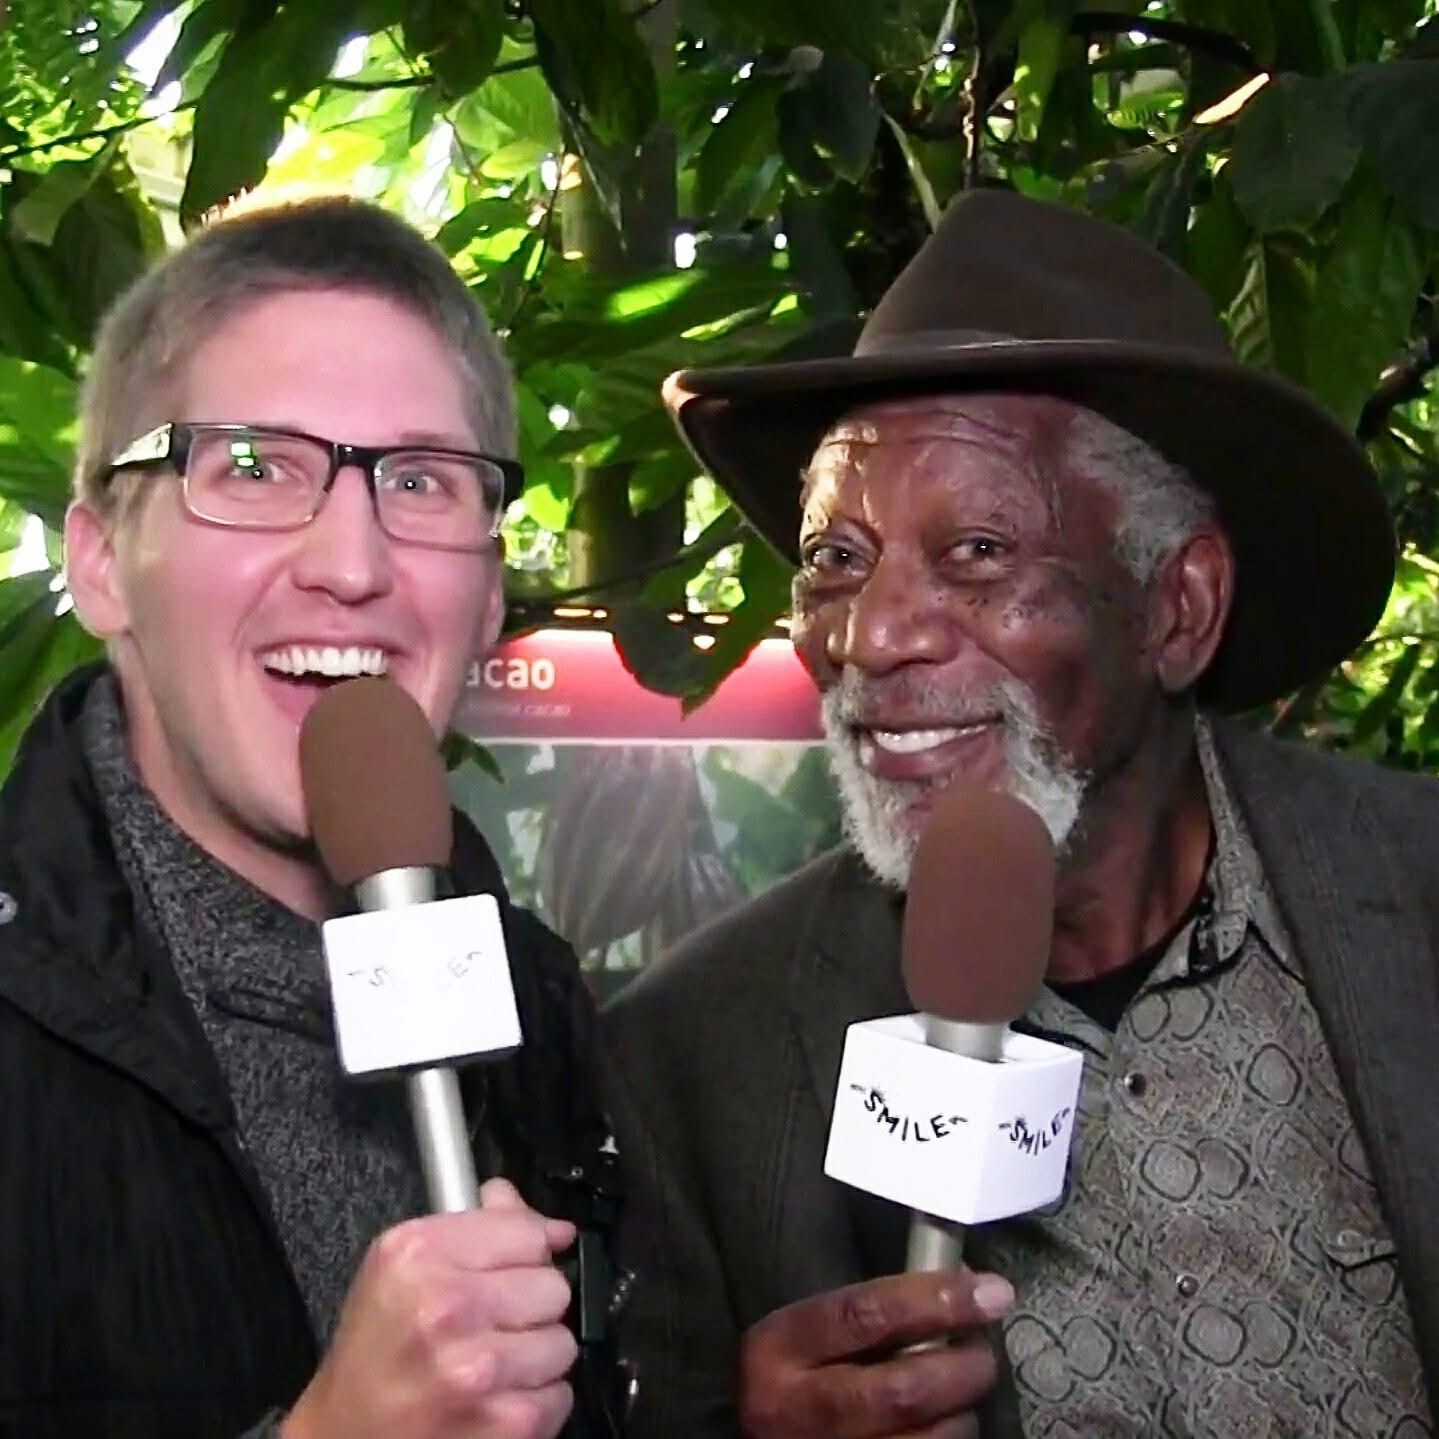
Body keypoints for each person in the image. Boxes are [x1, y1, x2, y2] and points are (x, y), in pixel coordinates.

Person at [602, 187, 1438, 1438]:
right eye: (835, 559)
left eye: (977, 550)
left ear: (1176, 608)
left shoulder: (1413, 905)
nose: (870, 636)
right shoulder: (692, 1059)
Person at [0, 195, 628, 1439]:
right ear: (100, 562)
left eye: (420, 478)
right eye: (250, 464)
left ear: (492, 592)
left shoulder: (541, 1003)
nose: (352, 558)